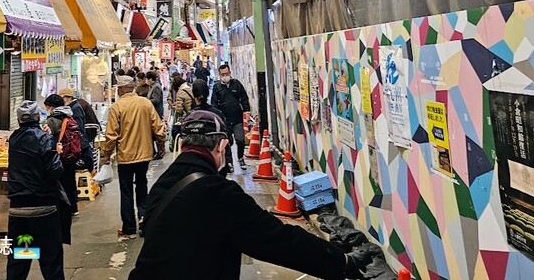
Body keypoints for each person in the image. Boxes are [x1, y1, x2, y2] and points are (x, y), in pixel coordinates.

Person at [129, 111, 367, 280]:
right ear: (222, 146)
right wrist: (341, 262)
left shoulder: (164, 183)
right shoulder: (216, 193)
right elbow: (276, 239)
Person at [7, 101, 70, 280]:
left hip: (18, 211)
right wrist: (55, 152)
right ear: (37, 117)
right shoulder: (44, 139)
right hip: (43, 210)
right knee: (50, 260)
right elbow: (55, 171)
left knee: (20, 258)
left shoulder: (13, 139)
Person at [101, 75, 166, 239]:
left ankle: (129, 228)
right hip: (144, 154)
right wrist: (161, 146)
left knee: (126, 190)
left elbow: (111, 135)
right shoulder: (146, 103)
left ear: (122, 89)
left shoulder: (117, 107)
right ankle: (144, 218)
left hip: (126, 156)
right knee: (142, 185)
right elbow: (158, 128)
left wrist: (106, 155)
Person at [44, 94, 82, 217]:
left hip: (59, 156)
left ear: (51, 107)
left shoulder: (52, 120)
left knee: (60, 183)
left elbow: (47, 139)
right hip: (70, 155)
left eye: (47, 107)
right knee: (70, 180)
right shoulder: (69, 116)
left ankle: (63, 209)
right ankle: (74, 207)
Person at [211, 63, 251, 172]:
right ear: (219, 75)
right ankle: (229, 162)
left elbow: (244, 98)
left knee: (240, 140)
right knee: (227, 142)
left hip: (237, 118)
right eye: (223, 74)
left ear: (230, 73)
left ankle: (240, 157)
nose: (225, 76)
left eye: (227, 73)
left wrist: (247, 110)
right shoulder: (217, 87)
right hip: (224, 120)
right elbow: (213, 103)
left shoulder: (237, 84)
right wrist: (216, 117)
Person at [190, 79, 227, 176]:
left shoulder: (190, 116)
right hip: (215, 162)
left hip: (194, 164)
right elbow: (227, 137)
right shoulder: (217, 114)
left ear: (193, 95)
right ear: (207, 94)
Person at [58, 87, 95, 170]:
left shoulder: (75, 108)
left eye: (62, 98)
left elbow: (78, 127)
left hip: (81, 145)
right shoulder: (73, 107)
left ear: (69, 98)